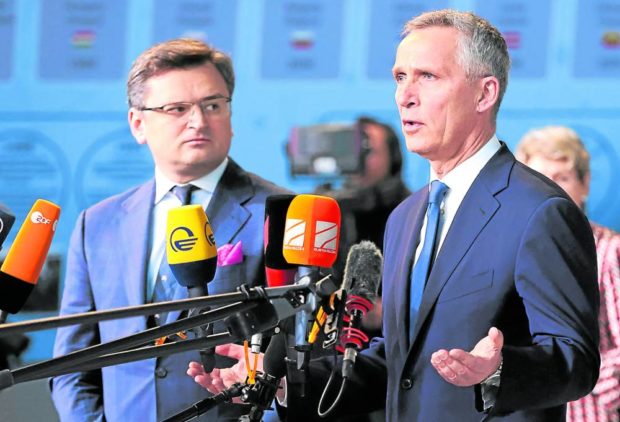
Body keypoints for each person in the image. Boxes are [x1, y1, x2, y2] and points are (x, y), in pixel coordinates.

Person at [187, 9, 600, 421]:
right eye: (400, 77)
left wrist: (498, 371)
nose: (405, 95)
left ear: (484, 93)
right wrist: (277, 383)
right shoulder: (406, 215)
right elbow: (399, 362)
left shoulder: (540, 210)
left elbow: (575, 360)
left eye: (428, 77)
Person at [50, 38, 290, 422]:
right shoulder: (96, 224)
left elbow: (300, 358)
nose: (198, 121)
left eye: (213, 105)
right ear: (138, 123)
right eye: (176, 108)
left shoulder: (281, 213)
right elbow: (71, 365)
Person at [516, 126, 620, 422]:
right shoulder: (507, 251)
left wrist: (568, 377)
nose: (552, 190)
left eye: (562, 178)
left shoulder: (610, 251)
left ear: (585, 184)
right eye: (540, 179)